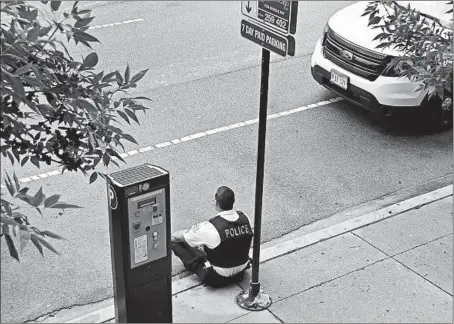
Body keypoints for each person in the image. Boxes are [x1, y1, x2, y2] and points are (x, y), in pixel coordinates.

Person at [171, 186, 253, 288]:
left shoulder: (210, 227)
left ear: (217, 203)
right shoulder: (246, 218)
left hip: (217, 278)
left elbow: (176, 237)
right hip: (241, 273)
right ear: (233, 201)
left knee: (176, 242)